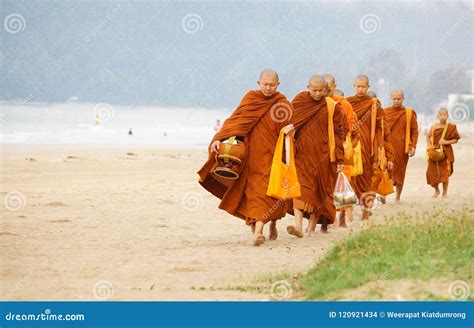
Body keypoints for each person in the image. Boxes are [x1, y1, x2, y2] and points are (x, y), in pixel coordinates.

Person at [198, 69, 295, 246]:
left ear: (278, 85)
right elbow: (235, 122)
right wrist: (218, 139)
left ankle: (267, 225)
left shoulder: (283, 104)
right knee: (253, 194)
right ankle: (257, 231)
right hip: (250, 157)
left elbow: (288, 130)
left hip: (271, 157)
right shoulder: (251, 98)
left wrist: (290, 130)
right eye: (265, 84)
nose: (268, 88)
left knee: (268, 192)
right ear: (258, 83)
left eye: (272, 85)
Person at [286, 75, 345, 237]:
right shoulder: (300, 101)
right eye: (314, 90)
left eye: (321, 90)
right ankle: (298, 225)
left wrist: (340, 158)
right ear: (308, 87)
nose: (318, 94)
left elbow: (339, 134)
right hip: (302, 154)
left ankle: (311, 227)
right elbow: (290, 121)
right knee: (300, 189)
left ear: (326, 90)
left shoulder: (333, 107)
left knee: (319, 192)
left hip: (324, 156)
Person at [323, 74, 360, 227]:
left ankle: (343, 213)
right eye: (322, 88)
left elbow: (351, 126)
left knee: (343, 181)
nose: (324, 91)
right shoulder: (318, 103)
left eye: (328, 88)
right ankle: (329, 216)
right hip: (323, 148)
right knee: (325, 182)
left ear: (334, 86)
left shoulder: (344, 104)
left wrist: (340, 139)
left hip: (341, 148)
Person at [346, 75, 384, 220]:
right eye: (358, 86)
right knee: (352, 179)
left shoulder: (374, 105)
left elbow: (380, 128)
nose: (360, 89)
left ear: (368, 87)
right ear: (353, 86)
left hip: (369, 148)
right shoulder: (348, 103)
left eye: (363, 86)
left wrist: (379, 148)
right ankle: (348, 211)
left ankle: (365, 212)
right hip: (353, 148)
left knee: (368, 180)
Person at [384, 89, 419, 202]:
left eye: (399, 99)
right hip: (387, 147)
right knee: (386, 170)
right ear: (391, 99)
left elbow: (414, 131)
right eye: (394, 99)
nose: (397, 101)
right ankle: (383, 195)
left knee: (400, 172)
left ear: (403, 99)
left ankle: (397, 197)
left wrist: (413, 146)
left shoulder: (409, 113)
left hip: (402, 148)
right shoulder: (385, 112)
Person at [426, 108, 460, 198]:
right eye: (441, 115)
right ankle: (436, 190)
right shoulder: (434, 126)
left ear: (447, 116)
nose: (443, 117)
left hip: (446, 153)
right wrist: (430, 146)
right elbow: (427, 137)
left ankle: (445, 193)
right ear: (438, 116)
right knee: (431, 173)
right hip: (434, 153)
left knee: (444, 174)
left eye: (444, 115)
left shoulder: (451, 127)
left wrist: (445, 142)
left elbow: (456, 140)